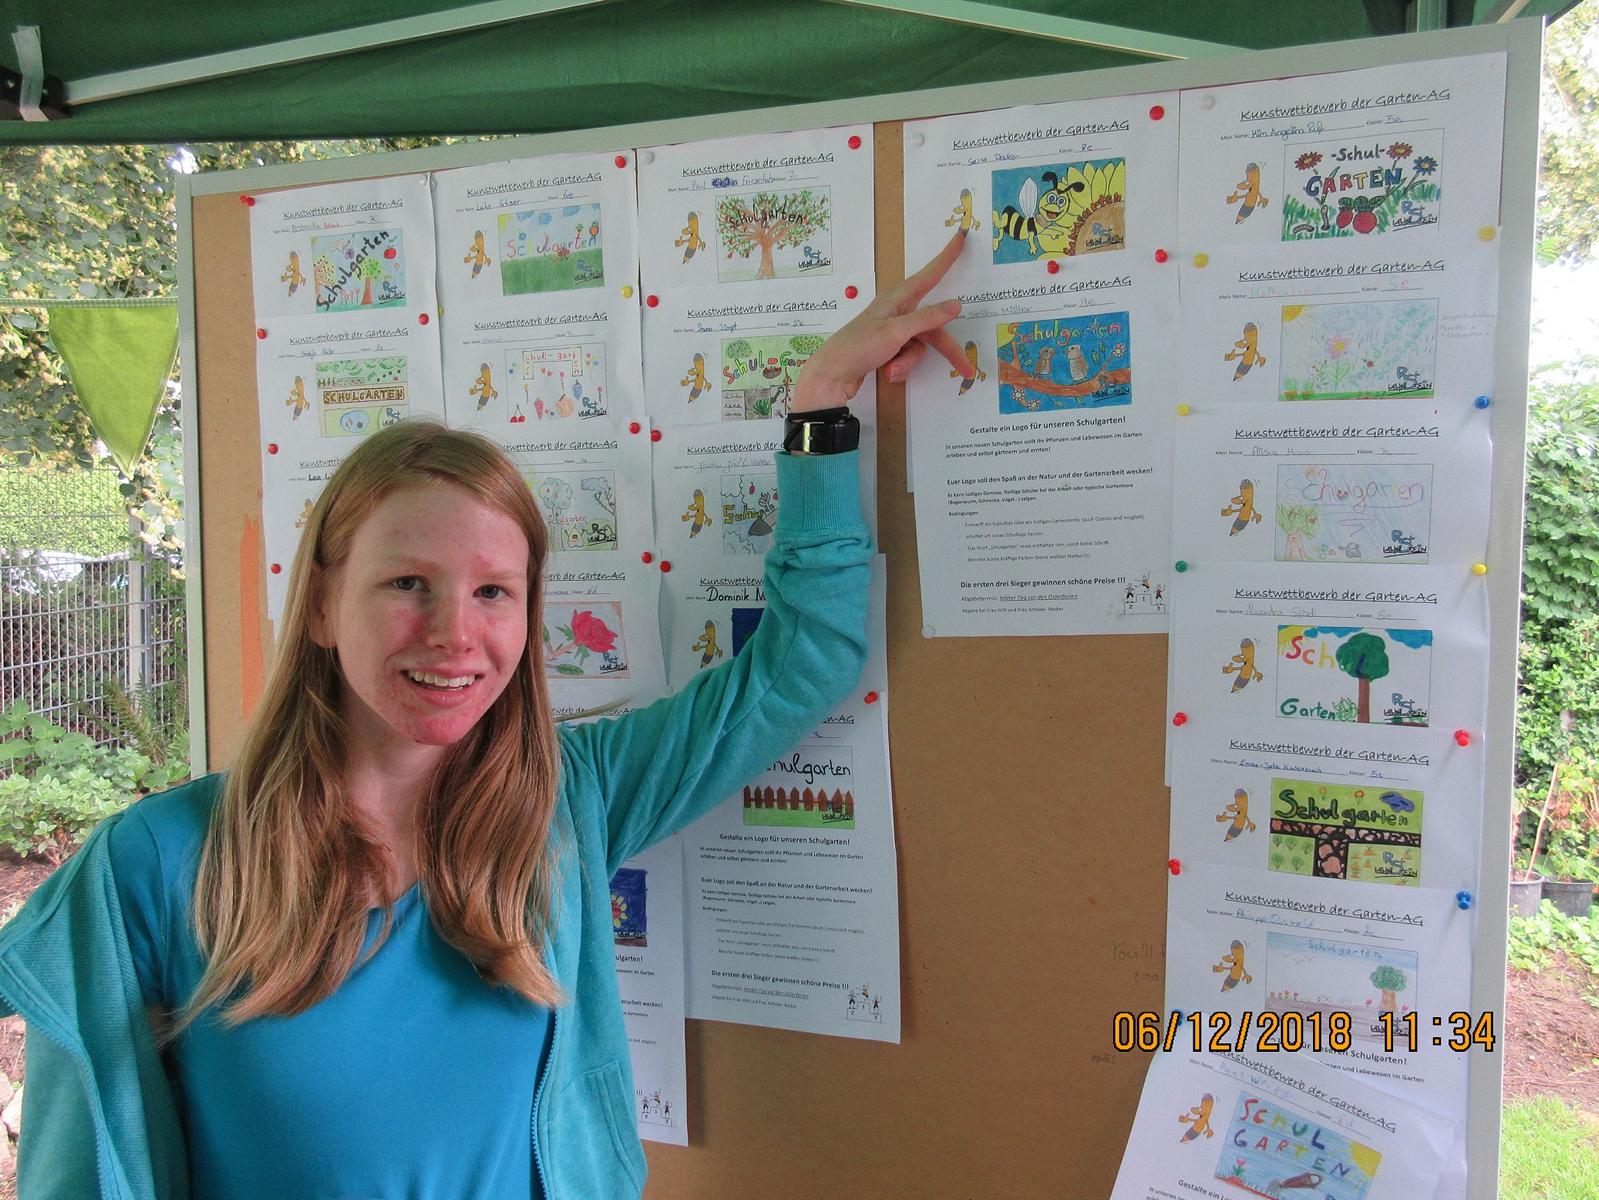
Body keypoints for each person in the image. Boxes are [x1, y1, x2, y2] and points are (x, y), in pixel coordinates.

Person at [0, 230, 974, 1200]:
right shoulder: (153, 867)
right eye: (408, 584)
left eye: (493, 593)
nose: (454, 635)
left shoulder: (567, 802)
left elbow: (803, 663)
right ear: (324, 606)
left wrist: (820, 406)